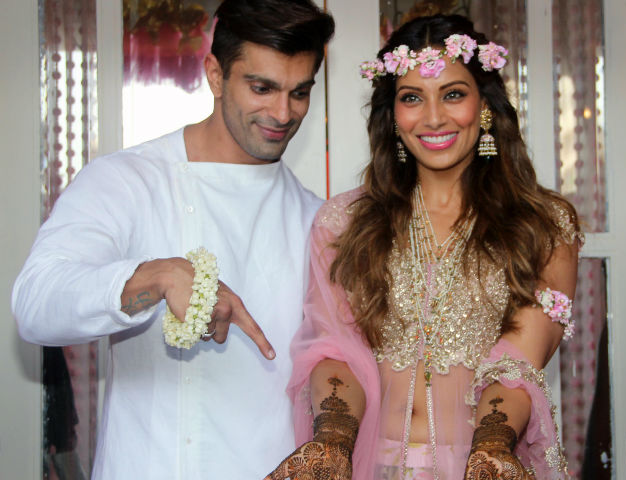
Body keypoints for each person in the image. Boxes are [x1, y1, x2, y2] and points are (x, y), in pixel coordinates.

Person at [12, 0, 334, 478]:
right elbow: (35, 304)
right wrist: (155, 277)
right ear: (215, 75)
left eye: (300, 92)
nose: (283, 112)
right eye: (262, 88)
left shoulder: (317, 219)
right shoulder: (127, 180)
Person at [266, 14, 581, 480]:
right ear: (393, 115)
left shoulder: (543, 227)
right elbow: (334, 350)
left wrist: (492, 448)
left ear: (485, 105)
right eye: (412, 98)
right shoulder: (344, 223)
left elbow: (518, 362)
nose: (433, 118)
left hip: (481, 469)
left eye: (453, 94)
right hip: (369, 466)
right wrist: (332, 438)